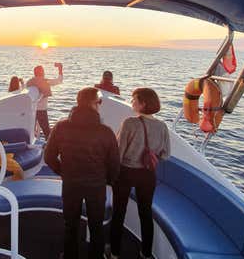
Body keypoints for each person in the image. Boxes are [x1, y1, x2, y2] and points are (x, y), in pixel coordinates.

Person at [45, 87, 120, 259]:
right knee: (96, 226)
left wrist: (63, 172)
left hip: (71, 184)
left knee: (70, 224)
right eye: (99, 102)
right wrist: (106, 180)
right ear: (93, 104)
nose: (100, 105)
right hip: (96, 186)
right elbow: (115, 164)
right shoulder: (106, 132)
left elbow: (48, 156)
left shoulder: (61, 127)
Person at [108, 88, 171, 259]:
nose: (132, 102)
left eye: (134, 99)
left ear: (143, 103)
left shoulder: (129, 123)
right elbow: (165, 154)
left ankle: (114, 253)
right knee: (145, 213)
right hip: (148, 175)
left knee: (118, 213)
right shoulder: (162, 126)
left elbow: (118, 153)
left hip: (126, 173)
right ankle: (146, 253)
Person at [26, 63, 63, 139]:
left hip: (31, 109)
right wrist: (60, 69)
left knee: (31, 130)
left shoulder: (29, 82)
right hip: (41, 110)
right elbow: (59, 80)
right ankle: (49, 146)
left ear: (34, 73)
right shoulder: (45, 81)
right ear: (42, 72)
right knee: (46, 130)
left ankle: (32, 143)